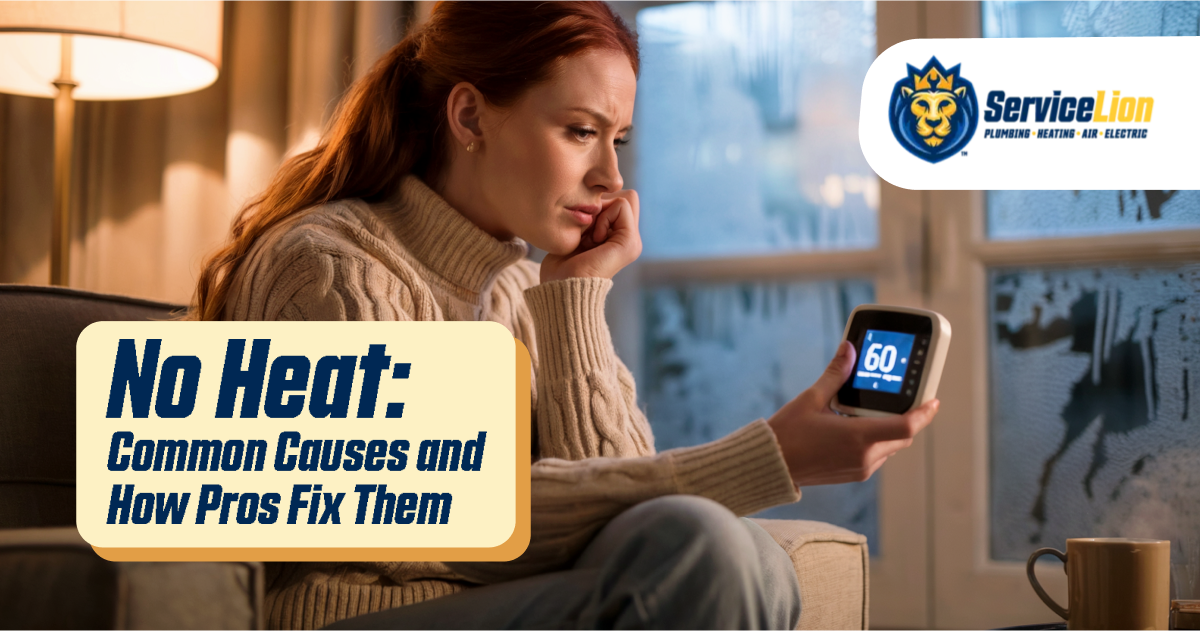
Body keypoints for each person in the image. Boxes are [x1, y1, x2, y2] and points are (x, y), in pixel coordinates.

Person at [190, 1, 939, 629]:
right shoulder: (330, 263)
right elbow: (425, 525)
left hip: (506, 602)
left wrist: (575, 295)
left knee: (718, 544)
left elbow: (627, 522)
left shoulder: (528, 288)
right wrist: (769, 455)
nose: (611, 176)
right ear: (471, 116)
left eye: (618, 139)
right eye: (581, 131)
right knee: (709, 553)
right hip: (350, 614)